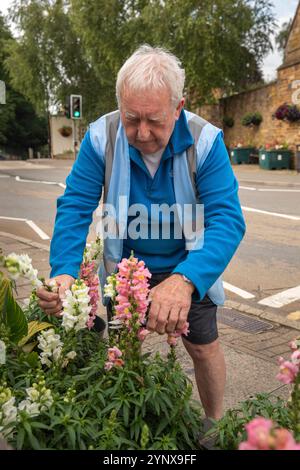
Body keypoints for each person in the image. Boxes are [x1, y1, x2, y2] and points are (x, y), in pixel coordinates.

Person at [37, 45, 246, 421]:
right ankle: (125, 426)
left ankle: (214, 424)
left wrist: (185, 281)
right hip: (126, 270)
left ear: (179, 107)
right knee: (120, 349)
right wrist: (64, 272)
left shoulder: (206, 141)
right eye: (132, 118)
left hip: (189, 264)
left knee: (202, 347)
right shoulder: (101, 136)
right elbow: (75, 207)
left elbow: (227, 221)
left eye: (155, 120)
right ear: (119, 104)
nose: (143, 133)